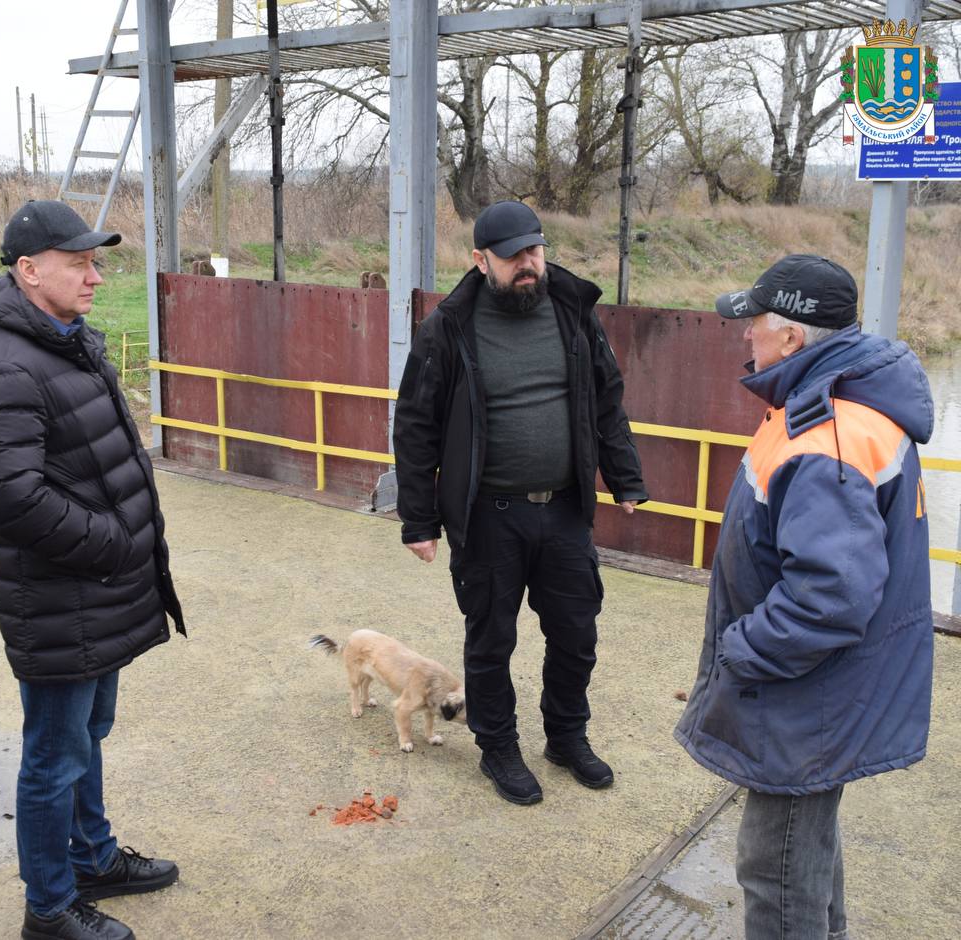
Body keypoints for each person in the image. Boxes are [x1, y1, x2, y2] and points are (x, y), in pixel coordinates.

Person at [675, 254, 934, 938]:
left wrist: (742, 649)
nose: (745, 335)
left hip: (804, 701)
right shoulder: (845, 403)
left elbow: (830, 596)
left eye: (754, 323)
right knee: (808, 857)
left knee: (778, 869)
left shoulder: (828, 432)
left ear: (792, 338)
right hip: (825, 691)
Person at [0, 200, 186, 940]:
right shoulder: (3, 363)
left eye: (96, 260)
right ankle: (50, 906)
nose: (95, 275)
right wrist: (118, 543)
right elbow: (13, 501)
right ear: (29, 271)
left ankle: (92, 858)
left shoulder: (64, 340)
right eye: (79, 262)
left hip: (94, 594)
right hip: (63, 598)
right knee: (53, 756)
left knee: (88, 732)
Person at [392, 200, 647, 805]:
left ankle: (565, 736)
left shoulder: (572, 311)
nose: (528, 266)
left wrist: (626, 477)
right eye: (512, 258)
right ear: (480, 261)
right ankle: (498, 747)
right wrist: (418, 519)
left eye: (534, 251)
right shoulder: (449, 327)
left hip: (563, 509)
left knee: (576, 634)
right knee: (490, 641)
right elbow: (415, 426)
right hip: (487, 518)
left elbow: (605, 401)